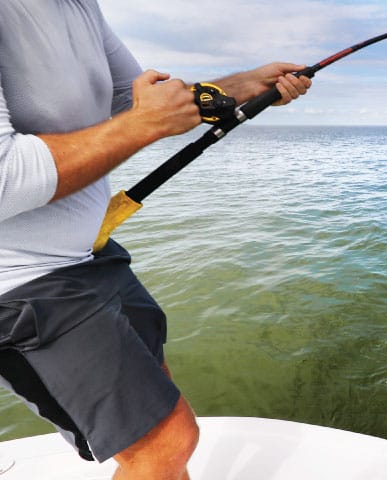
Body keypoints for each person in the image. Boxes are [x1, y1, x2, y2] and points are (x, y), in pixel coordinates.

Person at [0, 1, 311, 478]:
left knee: (158, 415)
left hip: (90, 255)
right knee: (165, 442)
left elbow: (133, 98)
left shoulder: (80, 5)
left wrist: (244, 86)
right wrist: (145, 125)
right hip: (23, 280)